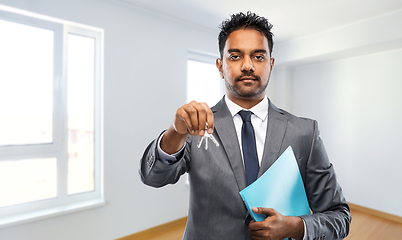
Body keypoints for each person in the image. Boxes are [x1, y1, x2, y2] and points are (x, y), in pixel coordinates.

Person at [140, 12, 351, 240]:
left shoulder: (304, 133)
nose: (248, 65)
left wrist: (296, 227)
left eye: (258, 57)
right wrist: (175, 132)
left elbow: (339, 217)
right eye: (235, 56)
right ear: (220, 66)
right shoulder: (195, 126)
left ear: (271, 64)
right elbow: (153, 177)